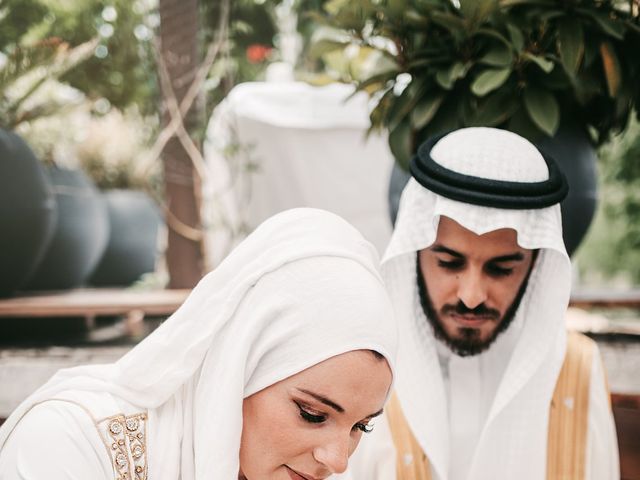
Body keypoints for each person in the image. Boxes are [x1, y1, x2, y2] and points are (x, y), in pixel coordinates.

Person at [0, 208, 398, 480]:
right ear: (238, 366)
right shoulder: (70, 442)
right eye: (312, 414)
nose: (339, 460)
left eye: (361, 425)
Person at [348, 128, 618, 480]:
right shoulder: (368, 367)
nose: (472, 295)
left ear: (535, 265)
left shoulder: (577, 370)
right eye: (449, 263)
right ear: (414, 253)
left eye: (501, 269)